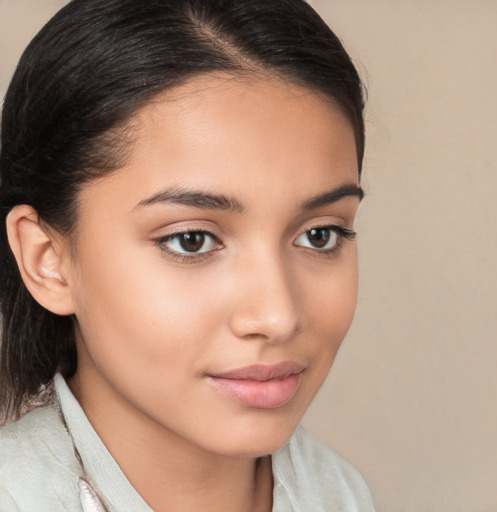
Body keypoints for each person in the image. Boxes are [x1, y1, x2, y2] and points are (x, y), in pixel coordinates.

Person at [0, 0, 374, 510]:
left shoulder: (340, 494)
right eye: (191, 239)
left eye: (320, 235)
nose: (278, 317)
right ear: (48, 259)